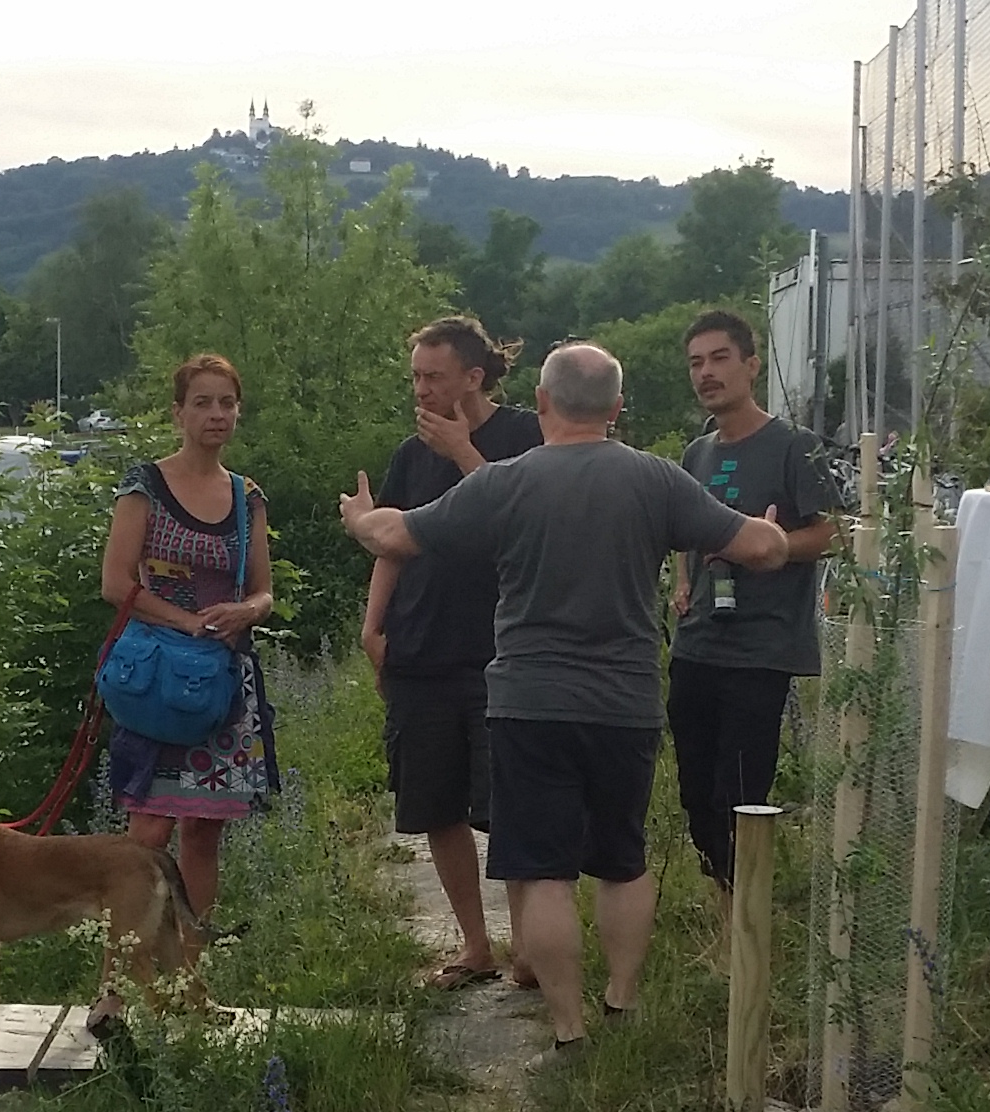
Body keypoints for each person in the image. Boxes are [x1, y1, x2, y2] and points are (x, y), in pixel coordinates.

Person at [339, 342, 786, 1049]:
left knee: (543, 871)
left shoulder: (505, 482)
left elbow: (397, 533)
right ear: (615, 408)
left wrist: (360, 516)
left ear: (543, 403)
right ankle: (622, 996)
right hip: (624, 704)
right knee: (621, 858)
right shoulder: (657, 481)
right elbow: (761, 548)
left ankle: (567, 1023)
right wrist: (765, 531)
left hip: (527, 701)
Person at [360, 315, 543, 988]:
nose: (422, 390)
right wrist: (372, 629)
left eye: (433, 376)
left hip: (502, 650)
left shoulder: (523, 435)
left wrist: (466, 452)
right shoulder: (411, 454)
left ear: (474, 375)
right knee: (435, 806)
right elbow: (392, 540)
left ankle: (530, 947)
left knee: (510, 805)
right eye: (415, 377)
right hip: (419, 650)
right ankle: (475, 946)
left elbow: (527, 519)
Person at [664, 308, 844, 921]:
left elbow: (835, 532)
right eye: (696, 363)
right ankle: (725, 904)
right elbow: (685, 531)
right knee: (694, 791)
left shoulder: (795, 446)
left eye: (719, 359)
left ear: (751, 364)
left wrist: (773, 550)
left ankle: (748, 926)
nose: (706, 373)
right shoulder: (697, 452)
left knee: (739, 794)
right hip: (696, 646)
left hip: (760, 648)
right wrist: (683, 579)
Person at [101, 352, 279, 918]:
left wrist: (243, 612)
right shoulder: (145, 486)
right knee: (147, 832)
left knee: (203, 832)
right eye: (202, 403)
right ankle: (124, 976)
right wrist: (185, 621)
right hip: (156, 678)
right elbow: (115, 583)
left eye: (226, 403)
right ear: (178, 412)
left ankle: (191, 975)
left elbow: (263, 592)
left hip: (219, 685)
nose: (216, 414)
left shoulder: (247, 497)